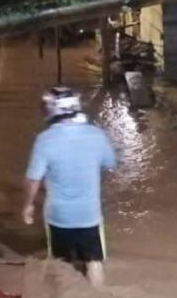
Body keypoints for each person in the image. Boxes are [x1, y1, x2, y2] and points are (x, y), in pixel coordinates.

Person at [22, 87, 117, 286]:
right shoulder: (97, 135)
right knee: (93, 261)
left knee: (60, 264)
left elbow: (33, 179)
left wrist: (28, 206)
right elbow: (110, 163)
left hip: (58, 216)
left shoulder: (44, 140)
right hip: (89, 214)